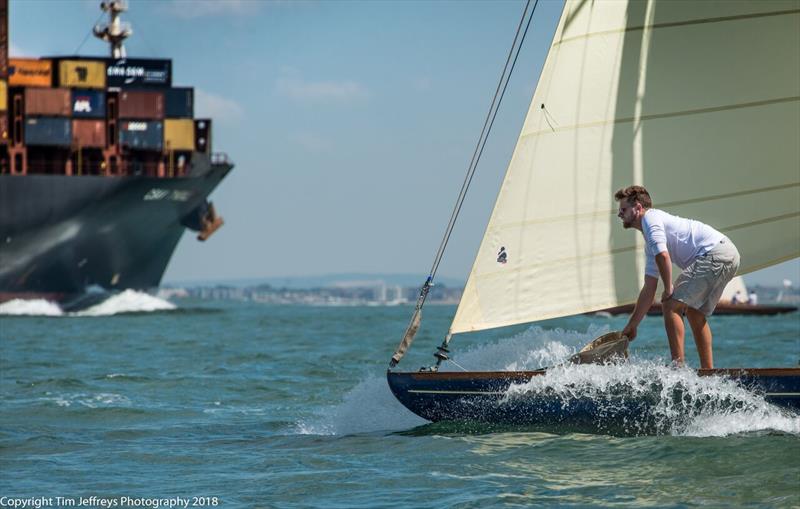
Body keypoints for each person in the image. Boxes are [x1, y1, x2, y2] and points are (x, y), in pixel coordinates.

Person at [615, 185, 740, 368]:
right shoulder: (650, 240)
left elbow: (663, 256)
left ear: (639, 208)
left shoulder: (650, 219)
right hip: (728, 253)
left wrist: (668, 289)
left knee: (670, 304)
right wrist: (633, 325)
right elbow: (649, 288)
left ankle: (677, 369)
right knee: (695, 313)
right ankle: (708, 372)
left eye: (623, 209)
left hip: (715, 252)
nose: (619, 214)